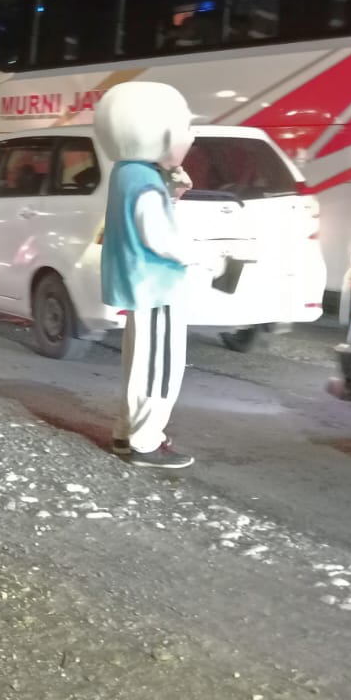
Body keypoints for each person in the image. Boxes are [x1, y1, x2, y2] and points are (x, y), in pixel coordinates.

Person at [94, 81, 217, 469]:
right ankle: (146, 441)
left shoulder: (127, 172)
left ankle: (127, 431)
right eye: (183, 135)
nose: (187, 144)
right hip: (157, 286)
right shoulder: (143, 181)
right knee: (159, 367)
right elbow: (159, 236)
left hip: (139, 284)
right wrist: (202, 256)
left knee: (139, 361)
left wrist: (174, 190)